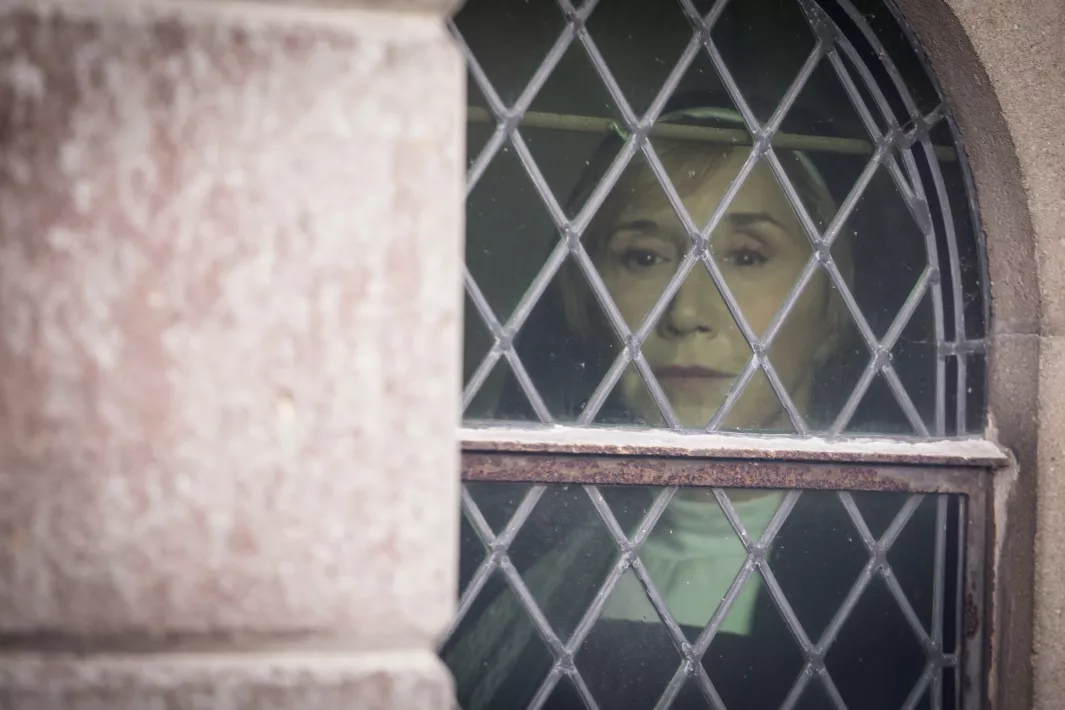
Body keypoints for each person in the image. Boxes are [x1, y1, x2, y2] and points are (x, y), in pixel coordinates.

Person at [444, 97, 941, 710]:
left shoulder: (921, 580)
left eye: (747, 256)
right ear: (587, 298)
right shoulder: (511, 562)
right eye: (644, 257)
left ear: (833, 310)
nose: (685, 312)